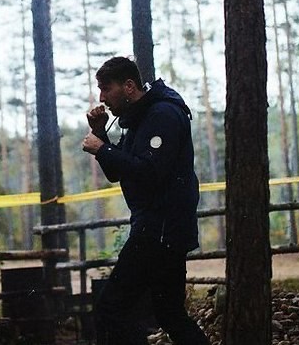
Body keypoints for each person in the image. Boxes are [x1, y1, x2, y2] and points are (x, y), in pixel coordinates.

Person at [82, 56, 210, 345]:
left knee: (111, 309)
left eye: (106, 88)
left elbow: (150, 172)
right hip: (162, 229)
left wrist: (102, 148)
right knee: (170, 314)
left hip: (159, 230)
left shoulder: (162, 114)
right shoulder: (139, 118)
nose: (101, 97)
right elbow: (119, 172)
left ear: (129, 86)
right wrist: (101, 133)